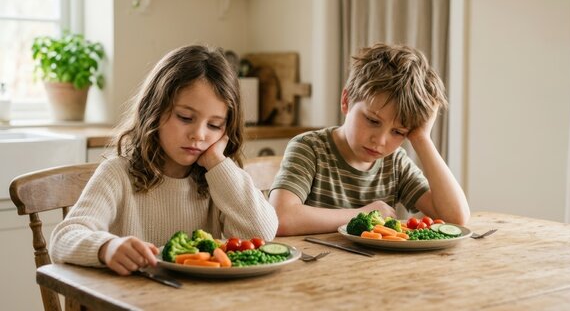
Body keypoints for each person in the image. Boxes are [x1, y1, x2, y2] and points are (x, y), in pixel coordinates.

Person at [50, 45, 278, 275]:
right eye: (185, 117)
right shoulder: (117, 173)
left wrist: (217, 162)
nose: (198, 134)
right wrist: (106, 247)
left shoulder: (220, 179)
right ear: (154, 110)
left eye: (214, 125)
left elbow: (263, 232)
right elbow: (64, 237)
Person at [269, 43, 470, 236]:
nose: (380, 141)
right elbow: (281, 218)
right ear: (346, 101)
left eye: (398, 132)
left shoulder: (395, 163)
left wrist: (422, 138)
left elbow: (455, 218)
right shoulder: (309, 148)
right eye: (373, 120)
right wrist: (363, 214)